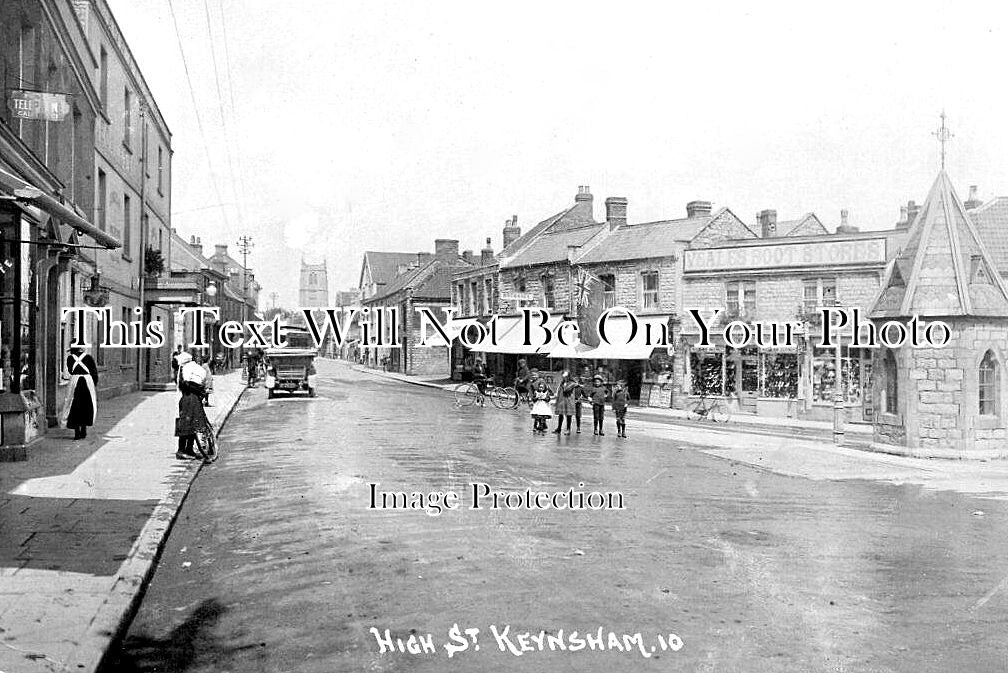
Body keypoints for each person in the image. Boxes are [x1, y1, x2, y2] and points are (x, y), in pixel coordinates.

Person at [175, 352, 214, 462]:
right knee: (189, 424)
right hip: (191, 398)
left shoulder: (186, 369)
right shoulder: (192, 368)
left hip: (189, 398)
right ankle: (182, 450)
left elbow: (184, 384)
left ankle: (188, 449)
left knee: (190, 423)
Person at [63, 346, 98, 440]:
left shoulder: (70, 358)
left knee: (73, 406)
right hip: (87, 383)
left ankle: (77, 432)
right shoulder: (88, 357)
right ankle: (83, 430)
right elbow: (94, 372)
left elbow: (70, 371)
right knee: (86, 406)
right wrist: (93, 383)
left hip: (75, 382)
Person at [552, 370, 577, 435]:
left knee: (569, 415)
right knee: (560, 414)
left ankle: (568, 429)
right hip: (562, 400)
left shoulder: (572, 383)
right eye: (563, 376)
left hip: (568, 400)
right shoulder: (562, 383)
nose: (564, 377)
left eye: (565, 376)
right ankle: (559, 428)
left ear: (568, 376)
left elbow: (566, 389)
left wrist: (565, 385)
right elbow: (559, 391)